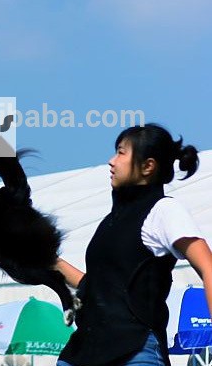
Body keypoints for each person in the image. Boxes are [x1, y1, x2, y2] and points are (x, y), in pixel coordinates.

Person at [55, 123, 212, 366]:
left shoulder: (164, 210)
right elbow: (99, 287)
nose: (111, 161)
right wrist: (49, 262)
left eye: (120, 152)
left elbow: (208, 268)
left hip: (133, 352)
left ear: (148, 166)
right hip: (82, 352)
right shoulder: (110, 221)